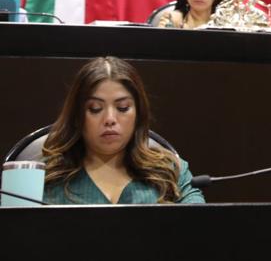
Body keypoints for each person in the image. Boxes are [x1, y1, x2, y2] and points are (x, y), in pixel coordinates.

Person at [42, 56, 205, 204]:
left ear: (138, 114)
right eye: (95, 109)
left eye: (122, 108)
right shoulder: (45, 178)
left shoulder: (171, 171)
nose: (110, 119)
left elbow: (201, 223)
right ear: (77, 117)